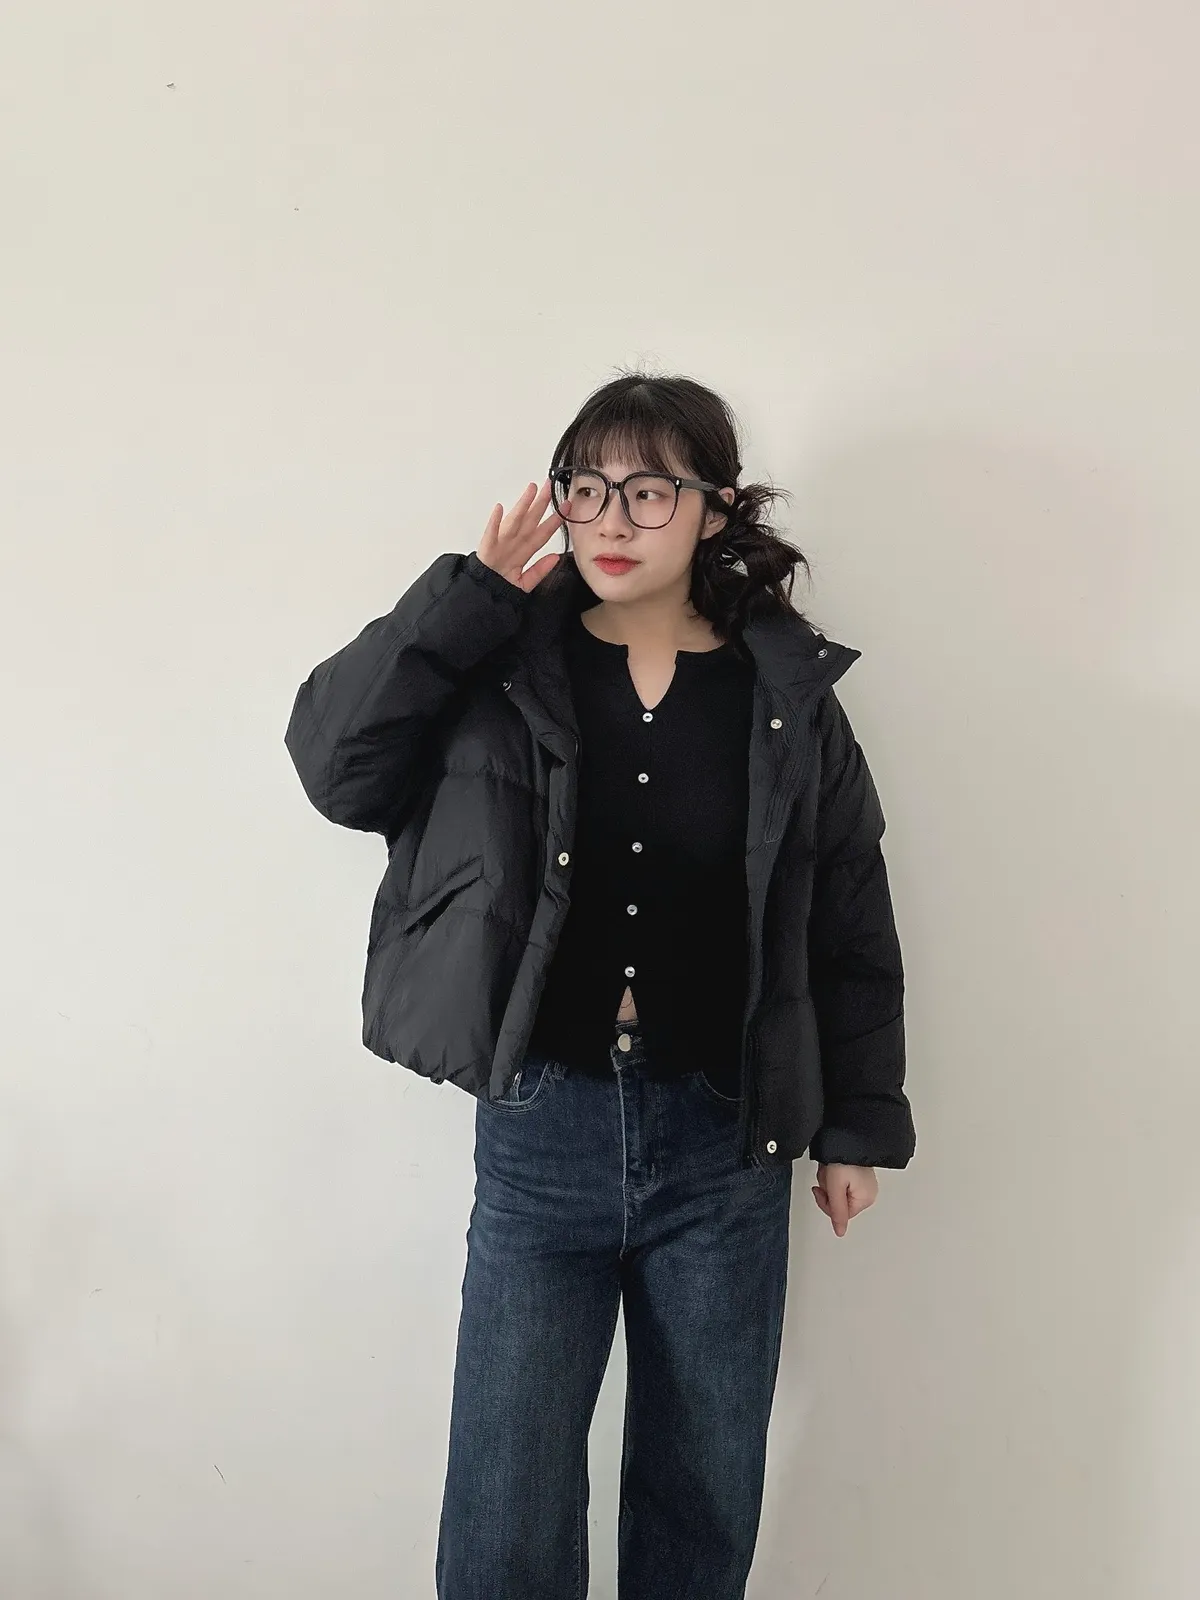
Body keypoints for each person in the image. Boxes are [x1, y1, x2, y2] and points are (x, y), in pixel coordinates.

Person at [284, 370, 915, 1599]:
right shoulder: (498, 660)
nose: (611, 519)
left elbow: (848, 911)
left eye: (648, 491)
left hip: (727, 1136)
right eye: (587, 487)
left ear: (715, 508)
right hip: (543, 1126)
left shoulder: (785, 697)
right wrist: (465, 598)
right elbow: (334, 765)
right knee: (506, 1506)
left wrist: (855, 1125)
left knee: (701, 1498)